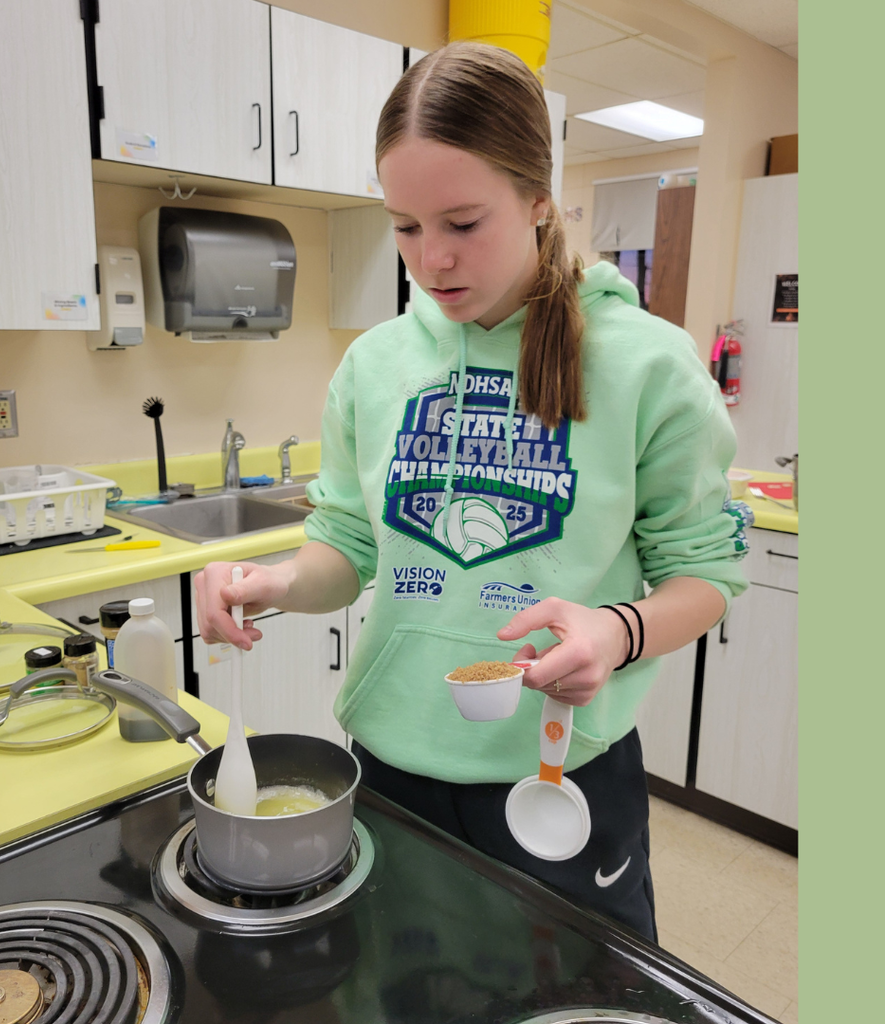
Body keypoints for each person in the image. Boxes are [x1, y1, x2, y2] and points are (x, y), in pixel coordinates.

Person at [195, 42, 749, 942]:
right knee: (406, 989)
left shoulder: (648, 365)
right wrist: (281, 584)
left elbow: (707, 574)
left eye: (462, 222)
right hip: (391, 760)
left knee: (574, 992)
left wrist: (619, 629)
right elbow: (349, 544)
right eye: (405, 226)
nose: (430, 260)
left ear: (539, 200)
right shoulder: (376, 365)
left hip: (556, 769)